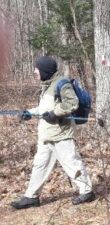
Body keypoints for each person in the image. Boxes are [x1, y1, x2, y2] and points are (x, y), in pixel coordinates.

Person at [11, 56, 95, 209]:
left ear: (45, 71)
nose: (35, 72)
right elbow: (45, 109)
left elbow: (72, 103)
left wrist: (56, 113)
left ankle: (87, 191)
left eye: (37, 69)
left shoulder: (62, 83)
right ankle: (31, 196)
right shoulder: (47, 86)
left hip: (61, 134)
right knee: (39, 165)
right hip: (47, 135)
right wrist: (29, 113)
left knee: (71, 162)